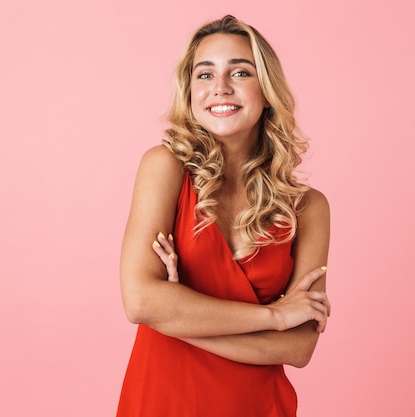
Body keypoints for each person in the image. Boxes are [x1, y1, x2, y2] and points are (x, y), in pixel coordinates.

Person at [117, 15, 331, 417]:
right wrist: (273, 316)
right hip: (163, 402)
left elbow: (300, 347)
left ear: (267, 91)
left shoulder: (309, 208)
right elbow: (141, 302)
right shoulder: (164, 168)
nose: (220, 88)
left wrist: (178, 316)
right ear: (190, 91)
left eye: (240, 71)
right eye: (204, 74)